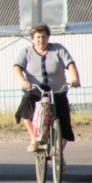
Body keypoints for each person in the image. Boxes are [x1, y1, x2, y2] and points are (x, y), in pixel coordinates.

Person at [13, 23, 81, 167]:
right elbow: (17, 68)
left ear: (48, 37)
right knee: (25, 106)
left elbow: (70, 65)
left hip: (57, 91)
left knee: (65, 126)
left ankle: (58, 154)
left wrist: (75, 79)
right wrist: (23, 81)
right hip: (35, 90)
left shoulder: (58, 49)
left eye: (43, 36)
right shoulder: (26, 52)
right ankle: (34, 139)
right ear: (32, 39)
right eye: (37, 37)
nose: (41, 40)